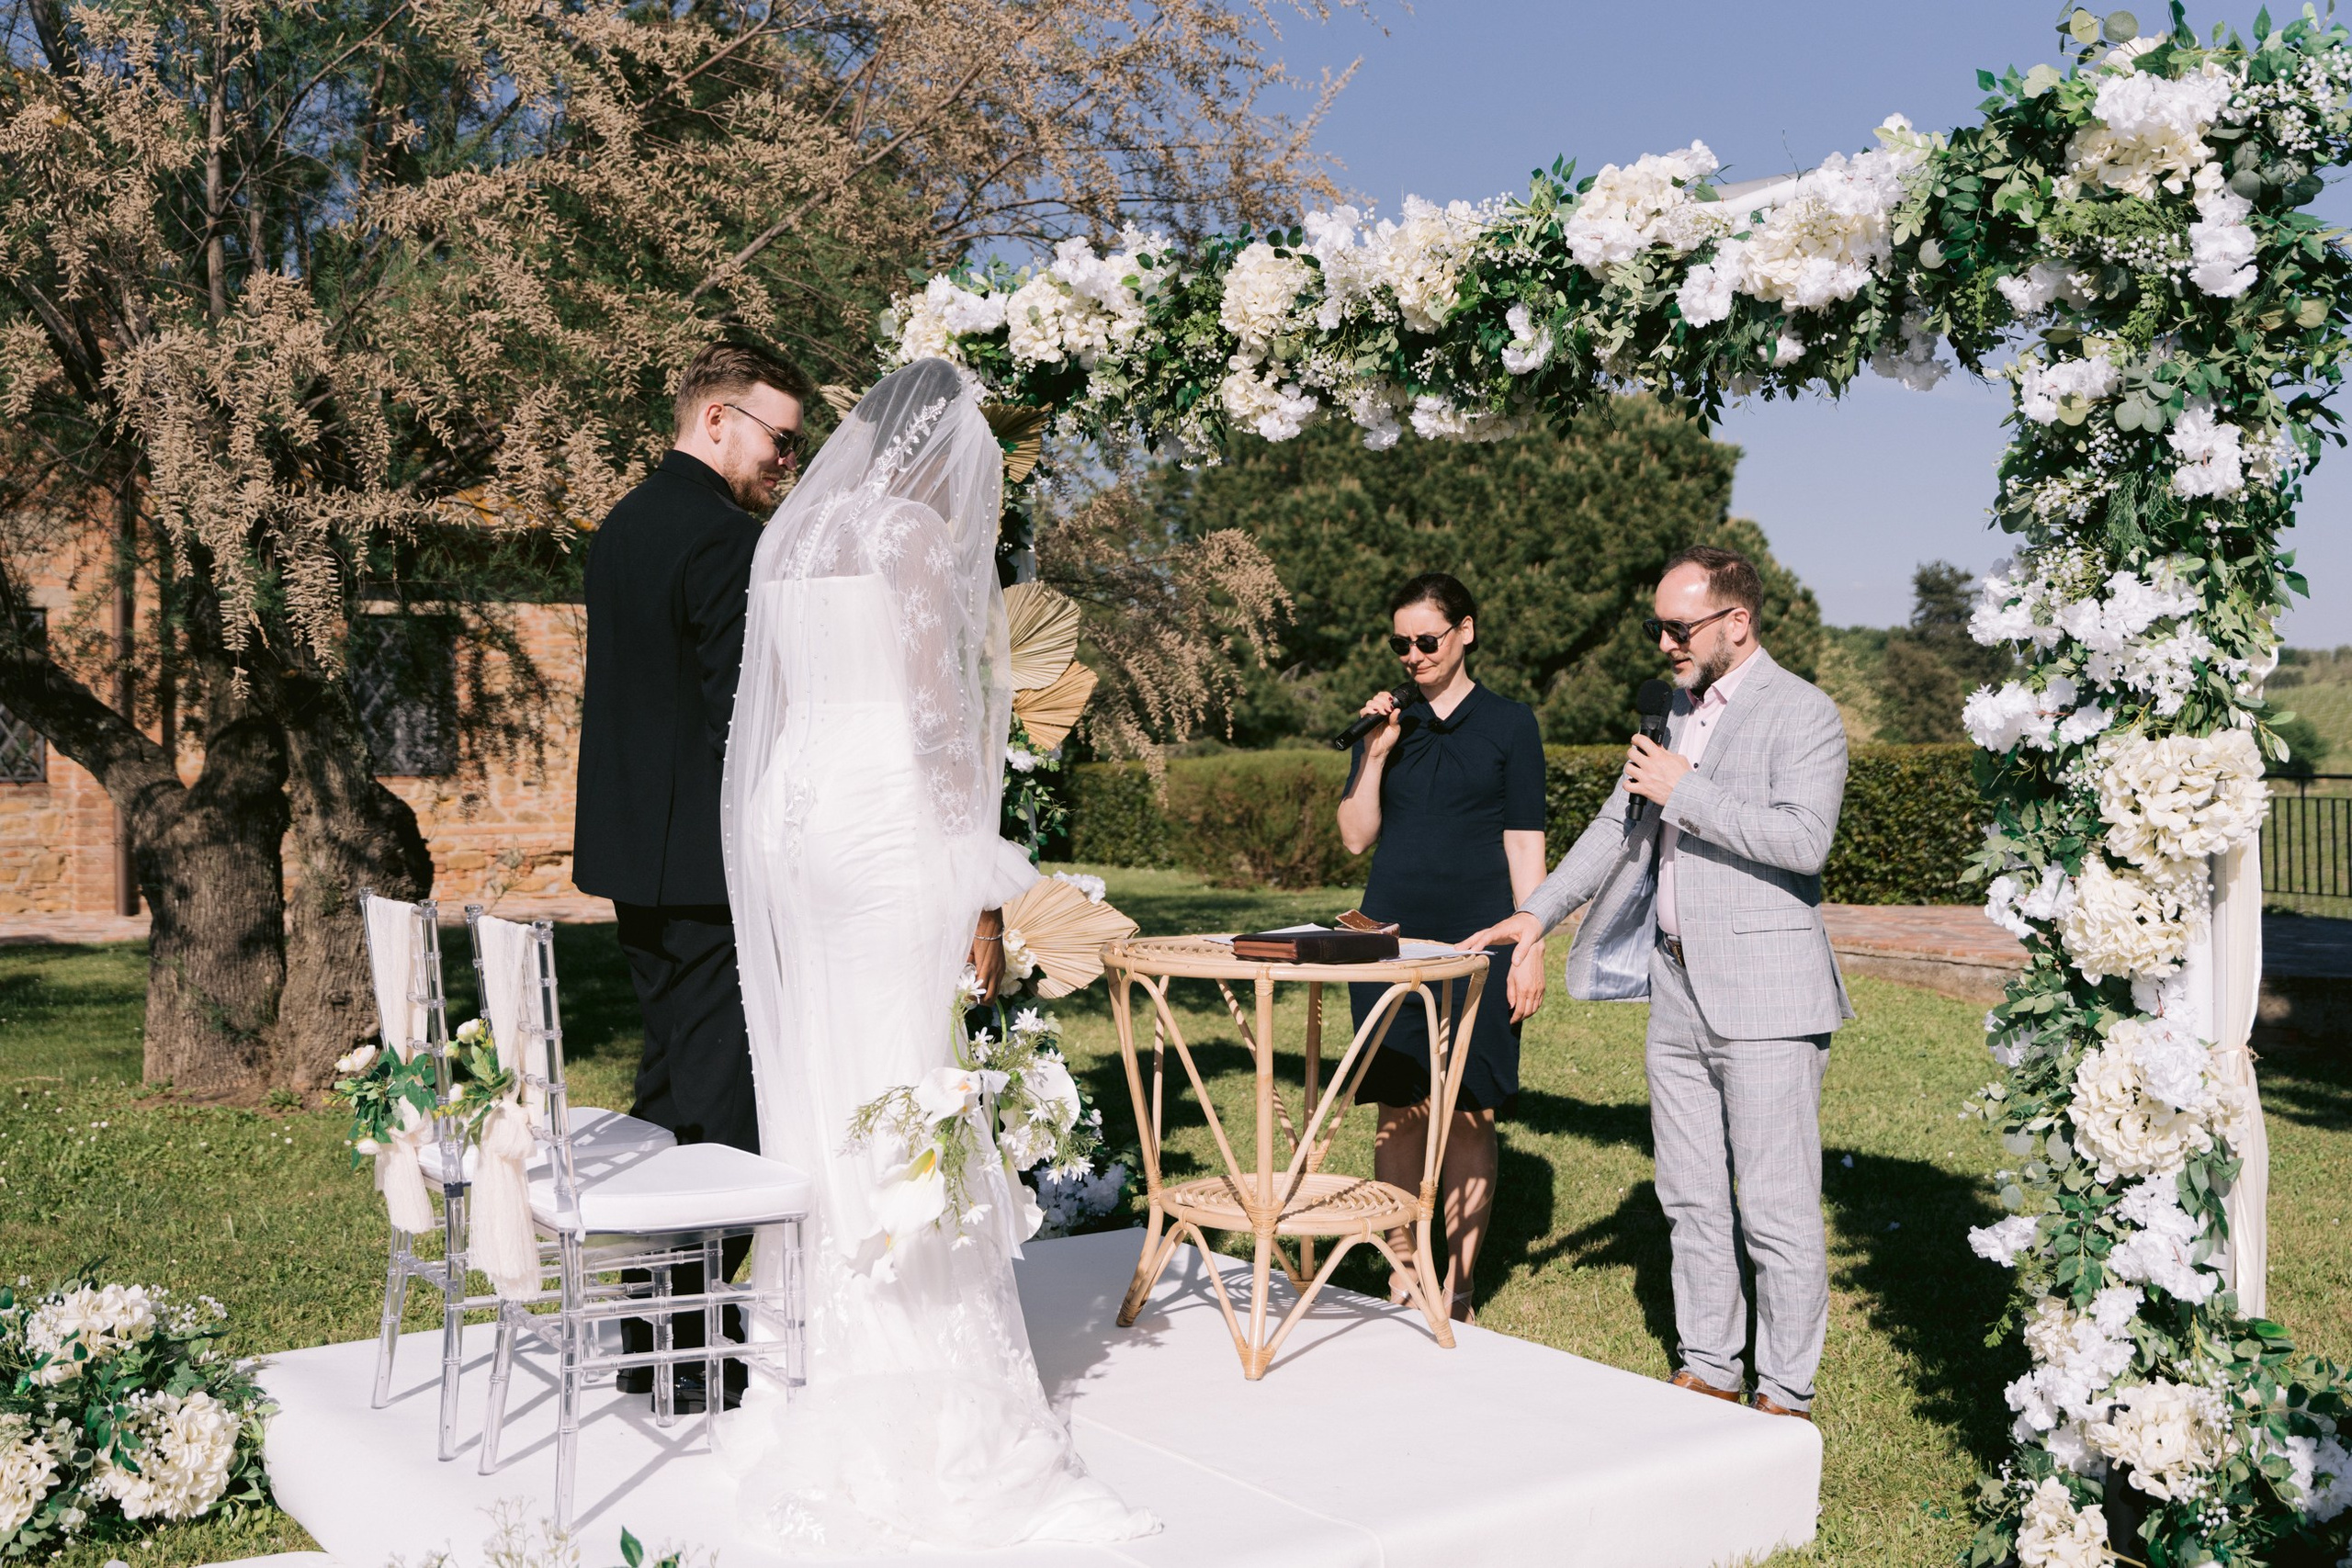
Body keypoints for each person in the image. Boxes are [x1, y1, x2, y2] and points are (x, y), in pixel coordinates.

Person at [718, 359, 1153, 1551]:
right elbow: (933, 717)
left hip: (795, 820)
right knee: (909, 1068)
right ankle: (917, 1378)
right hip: (878, 826)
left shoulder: (795, 537)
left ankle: (812, 1356)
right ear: (938, 453)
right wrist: (987, 883)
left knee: (826, 1068)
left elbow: (785, 696)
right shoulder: (906, 534)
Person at [1465, 545, 1850, 1421]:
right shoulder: (1670, 711)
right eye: (1658, 628)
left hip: (1766, 994)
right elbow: (1618, 822)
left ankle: (1785, 1391)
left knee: (1778, 1205)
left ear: (1736, 622)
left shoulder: (1804, 713)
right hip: (1673, 985)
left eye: (1679, 628)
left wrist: (1689, 789)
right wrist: (1537, 913)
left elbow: (1804, 842)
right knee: (1688, 1191)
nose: (1666, 643)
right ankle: (1710, 1363)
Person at [571, 338, 809, 1407]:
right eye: (778, 439)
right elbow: (733, 720)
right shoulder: (723, 539)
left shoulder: (623, 525)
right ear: (717, 419)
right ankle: (694, 1362)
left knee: (671, 1096)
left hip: (634, 859)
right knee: (724, 1116)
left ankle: (649, 1341)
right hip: (709, 871)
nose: (785, 464)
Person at [1336, 572, 1547, 1323]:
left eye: (1427, 639)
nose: (1413, 654)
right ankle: (1403, 1268)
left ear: (1466, 631)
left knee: (1467, 1108)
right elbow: (1356, 834)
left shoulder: (1511, 724)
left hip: (1477, 940)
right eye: (1401, 643)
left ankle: (1454, 1286)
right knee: (1398, 1107)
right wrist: (1378, 751)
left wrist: (1531, 941)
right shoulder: (1387, 724)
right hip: (1389, 939)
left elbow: (1525, 841)